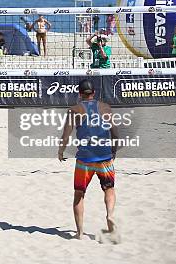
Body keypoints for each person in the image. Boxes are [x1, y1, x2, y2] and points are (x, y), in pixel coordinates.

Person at [58, 79, 119, 241]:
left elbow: (66, 135)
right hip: (104, 157)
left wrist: (61, 150)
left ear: (79, 94)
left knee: (79, 194)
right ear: (94, 93)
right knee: (109, 189)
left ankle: (79, 233)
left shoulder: (75, 110)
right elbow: (115, 133)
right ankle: (110, 215)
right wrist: (113, 150)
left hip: (85, 159)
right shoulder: (105, 108)